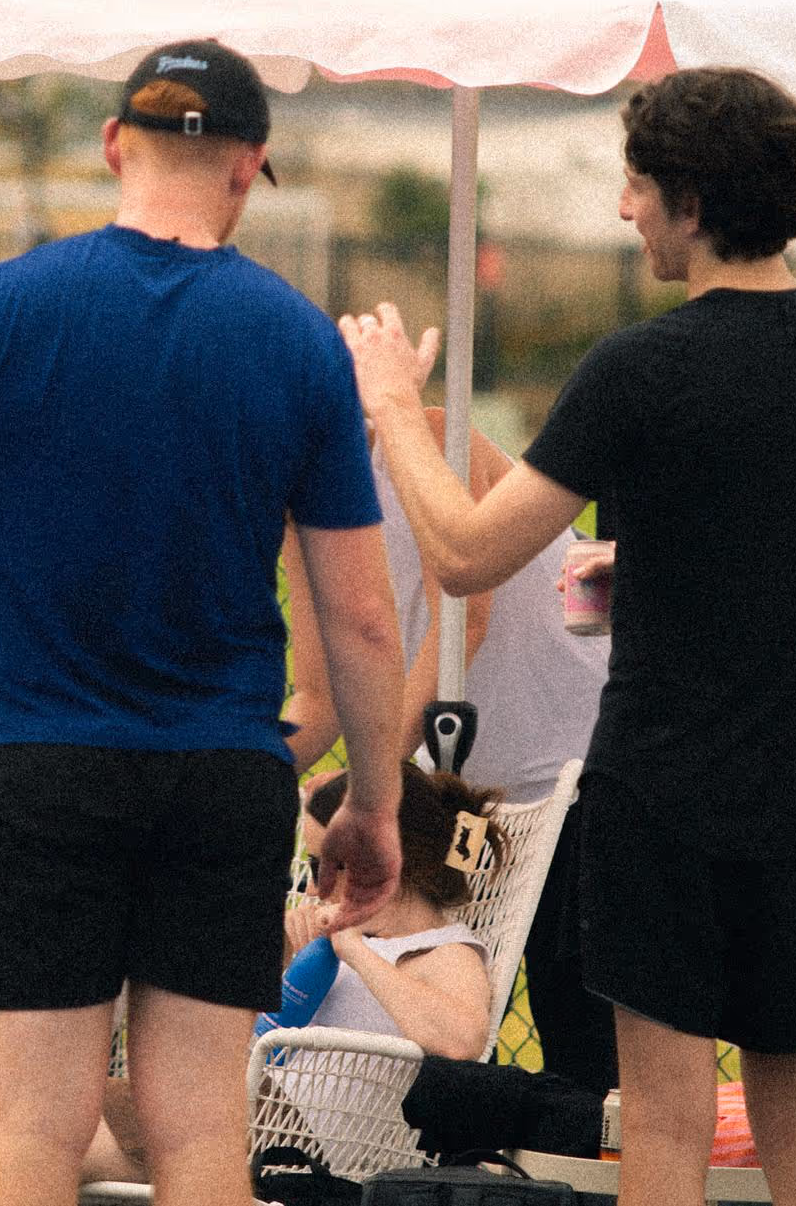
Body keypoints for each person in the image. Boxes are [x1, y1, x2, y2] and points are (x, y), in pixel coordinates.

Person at [0, 38, 405, 1206]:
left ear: (114, 143)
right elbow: (365, 620)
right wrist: (371, 806)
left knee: (33, 1132)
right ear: (248, 168)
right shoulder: (295, 343)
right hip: (224, 770)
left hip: (44, 766)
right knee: (198, 1140)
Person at [340, 66, 796, 1206]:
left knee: (662, 1126)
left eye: (637, 185)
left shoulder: (639, 371)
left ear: (691, 202)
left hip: (664, 800)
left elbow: (462, 553)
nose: (623, 209)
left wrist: (396, 403)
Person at [0, 762, 505, 1204]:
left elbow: (460, 1037)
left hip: (287, 1145)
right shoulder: (317, 931)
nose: (316, 882)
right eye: (311, 863)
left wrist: (356, 947)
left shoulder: (441, 947)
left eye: (332, 861)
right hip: (216, 1105)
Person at [283, 403, 616, 1096]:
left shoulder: (427, 436)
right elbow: (313, 703)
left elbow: (465, 617)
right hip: (477, 802)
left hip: (587, 775)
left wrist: (375, 769)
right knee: (459, 1033)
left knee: (584, 1043)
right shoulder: (297, 506)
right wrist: (237, 766)